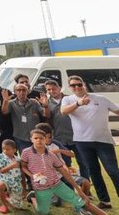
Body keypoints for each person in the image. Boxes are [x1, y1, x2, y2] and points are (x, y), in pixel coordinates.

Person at [60, 74, 119, 210]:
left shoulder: (100, 99)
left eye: (79, 84)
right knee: (94, 171)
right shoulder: (68, 99)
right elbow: (63, 111)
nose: (77, 87)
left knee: (113, 171)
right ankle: (105, 201)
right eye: (73, 85)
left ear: (84, 85)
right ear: (70, 87)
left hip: (103, 141)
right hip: (82, 142)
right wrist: (78, 103)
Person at [20, 128, 107, 215]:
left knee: (83, 203)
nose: (38, 140)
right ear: (31, 139)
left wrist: (80, 192)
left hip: (57, 185)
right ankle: (33, 197)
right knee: (42, 212)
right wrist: (32, 175)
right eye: (36, 138)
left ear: (45, 139)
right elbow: (23, 167)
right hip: (40, 188)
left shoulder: (51, 155)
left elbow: (64, 172)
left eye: (41, 138)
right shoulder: (26, 152)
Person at [42, 79, 85, 177]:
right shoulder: (47, 102)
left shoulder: (70, 99)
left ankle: (85, 185)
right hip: (59, 138)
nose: (52, 91)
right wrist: (45, 106)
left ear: (60, 88)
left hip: (76, 136)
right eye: (49, 90)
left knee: (83, 162)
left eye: (54, 89)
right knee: (65, 164)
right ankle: (69, 187)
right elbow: (47, 116)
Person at [2, 84, 42, 151]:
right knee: (25, 158)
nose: (21, 92)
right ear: (15, 92)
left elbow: (45, 114)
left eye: (24, 90)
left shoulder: (34, 102)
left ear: (28, 91)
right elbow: (4, 111)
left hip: (36, 136)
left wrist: (45, 106)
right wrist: (5, 101)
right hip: (20, 136)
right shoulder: (11, 103)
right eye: (18, 90)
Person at [0, 139, 26, 213]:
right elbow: (1, 171)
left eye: (8, 149)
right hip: (5, 180)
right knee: (0, 185)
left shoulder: (18, 160)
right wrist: (11, 166)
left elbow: (22, 174)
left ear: (14, 150)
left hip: (16, 183)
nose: (5, 151)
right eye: (3, 149)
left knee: (17, 207)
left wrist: (24, 188)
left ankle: (5, 197)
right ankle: (4, 205)